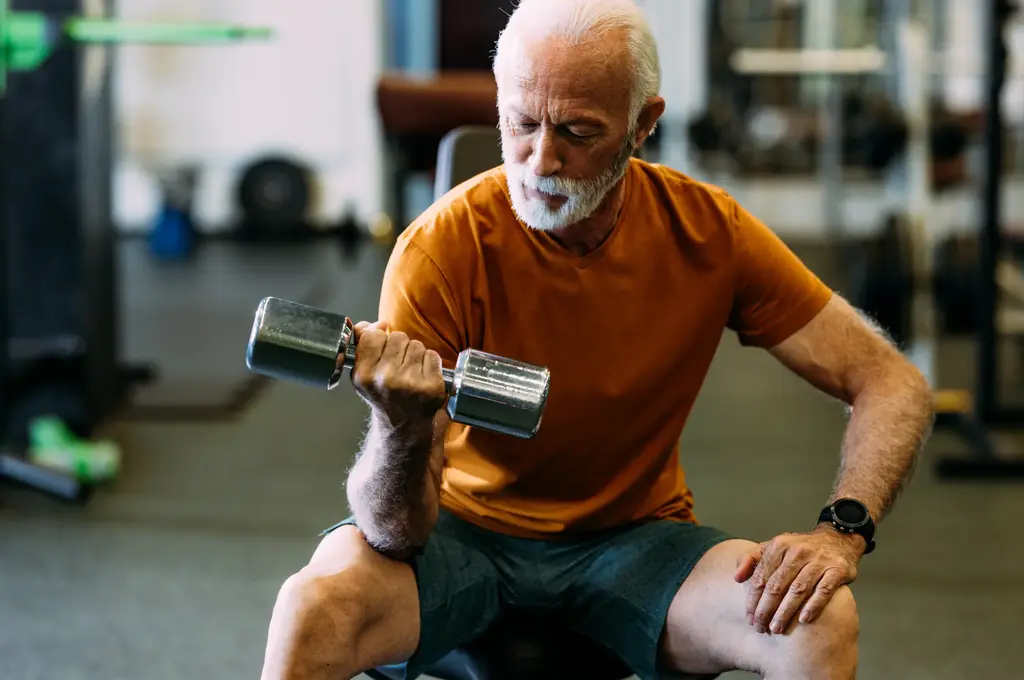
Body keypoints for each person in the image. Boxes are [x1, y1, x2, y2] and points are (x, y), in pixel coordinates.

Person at [260, 1, 934, 679]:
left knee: (818, 623)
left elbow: (890, 380)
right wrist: (401, 426)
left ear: (644, 124)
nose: (542, 159)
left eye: (579, 131)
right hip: (457, 534)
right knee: (311, 608)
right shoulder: (441, 247)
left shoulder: (707, 231)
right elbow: (395, 531)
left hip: (634, 540)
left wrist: (841, 532)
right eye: (522, 123)